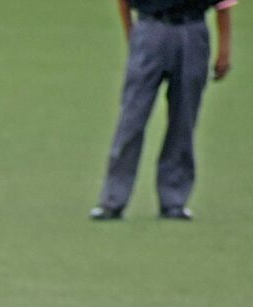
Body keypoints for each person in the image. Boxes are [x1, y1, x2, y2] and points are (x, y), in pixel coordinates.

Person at [90, 0, 237, 221]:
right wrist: (132, 35)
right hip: (150, 28)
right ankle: (112, 200)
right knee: (132, 117)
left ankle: (174, 201)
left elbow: (223, 6)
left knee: (184, 119)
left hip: (192, 31)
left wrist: (224, 51)